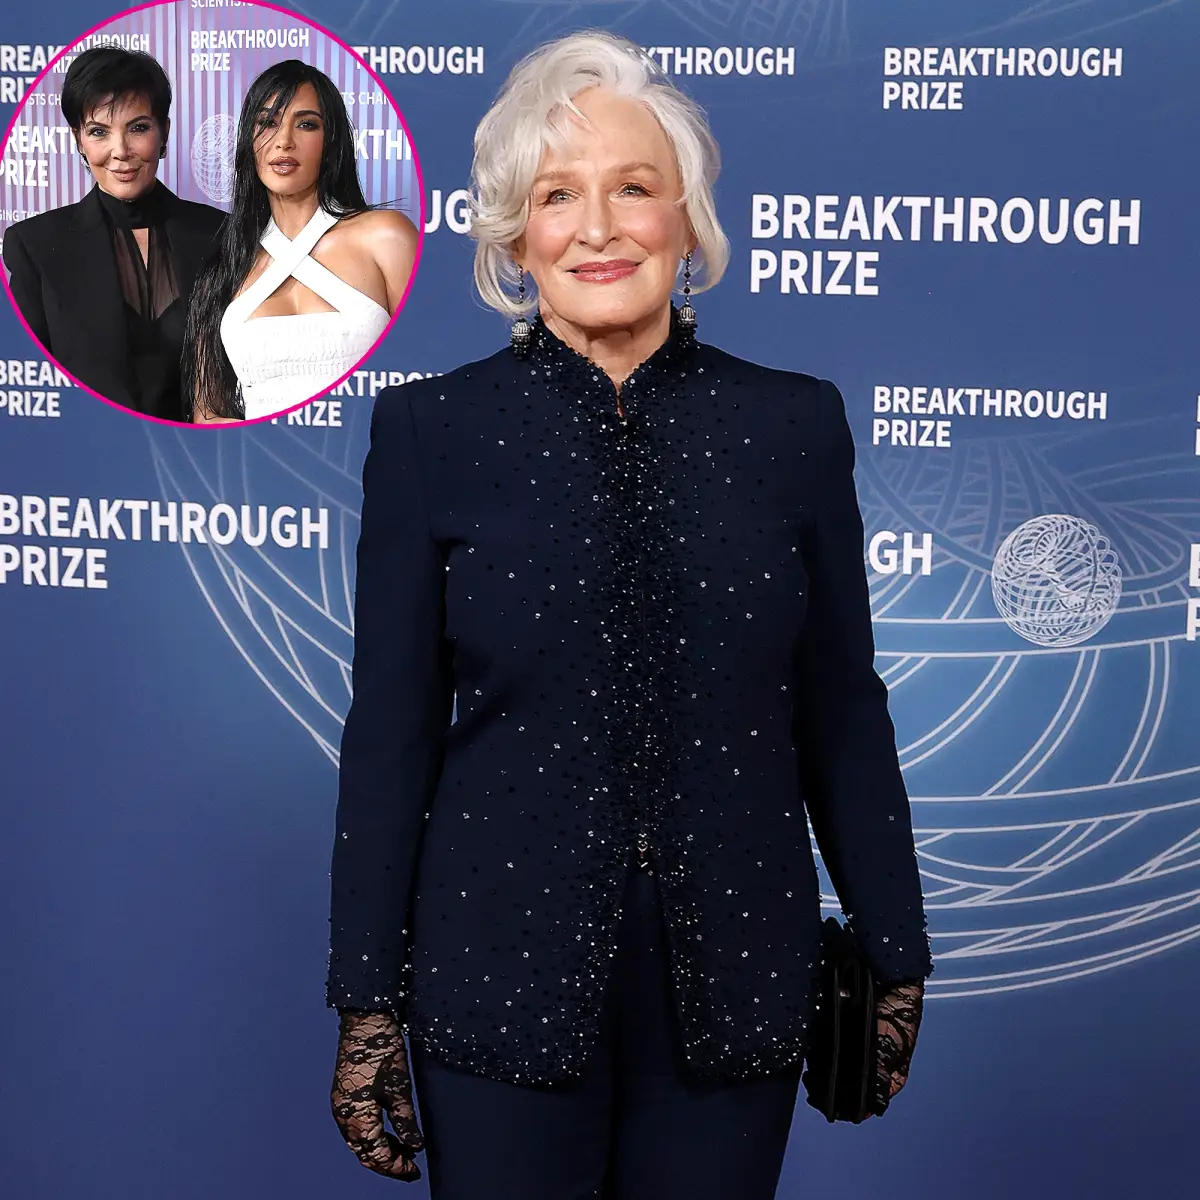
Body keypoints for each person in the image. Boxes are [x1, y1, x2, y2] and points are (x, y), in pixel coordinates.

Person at [327, 30, 932, 1200]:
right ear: (514, 236)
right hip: (495, 977)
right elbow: (390, 736)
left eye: (635, 188)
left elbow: (842, 714)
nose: (598, 227)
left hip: (741, 980)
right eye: (558, 195)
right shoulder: (431, 434)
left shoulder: (793, 427)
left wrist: (896, 950)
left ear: (688, 223)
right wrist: (365, 1001)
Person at [183, 60, 417, 423]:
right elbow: (208, 415)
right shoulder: (224, 266)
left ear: (332, 141)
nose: (284, 141)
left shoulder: (385, 236)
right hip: (261, 456)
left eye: (306, 124)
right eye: (267, 123)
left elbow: (429, 360)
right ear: (248, 141)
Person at [2, 46, 224, 422]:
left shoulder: (220, 234)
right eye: (99, 132)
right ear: (79, 140)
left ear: (164, 132)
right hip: (85, 452)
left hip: (198, 452)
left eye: (138, 128)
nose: (120, 151)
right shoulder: (36, 245)